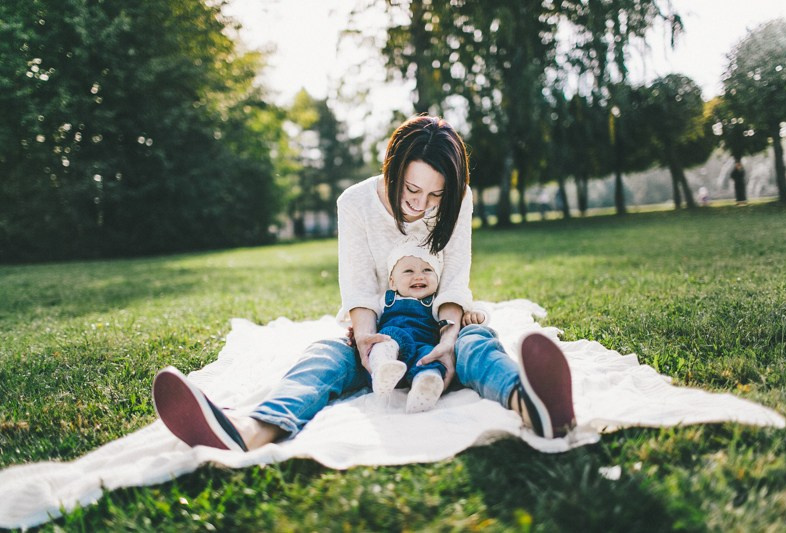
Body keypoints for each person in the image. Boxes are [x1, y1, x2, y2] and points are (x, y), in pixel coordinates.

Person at [152, 115, 575, 452]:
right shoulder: (354, 203)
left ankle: (534, 407)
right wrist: (367, 344)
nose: (420, 205)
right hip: (379, 331)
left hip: (437, 324)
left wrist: (449, 338)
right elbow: (357, 286)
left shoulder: (460, 198)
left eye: (435, 196)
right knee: (323, 359)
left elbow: (456, 276)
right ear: (391, 169)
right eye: (412, 189)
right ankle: (248, 431)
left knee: (477, 343)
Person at [368, 241, 487, 413]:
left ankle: (425, 385)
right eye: (409, 271)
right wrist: (354, 331)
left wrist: (477, 315)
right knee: (385, 340)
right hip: (393, 343)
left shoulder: (438, 303)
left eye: (427, 270)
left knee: (430, 359)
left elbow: (469, 306)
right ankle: (383, 369)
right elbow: (369, 316)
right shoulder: (385, 300)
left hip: (422, 348)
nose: (419, 276)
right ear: (392, 282)